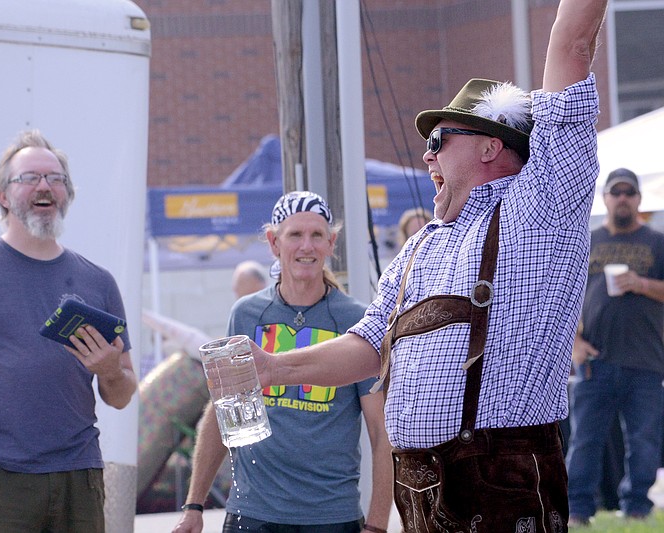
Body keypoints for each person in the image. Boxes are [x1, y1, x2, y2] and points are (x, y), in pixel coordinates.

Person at [247, 1, 607, 530]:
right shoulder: (422, 247)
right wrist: (273, 368)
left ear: (490, 146)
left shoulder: (542, 205)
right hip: (419, 491)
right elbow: (370, 345)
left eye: (439, 141)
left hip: (500, 484)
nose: (427, 157)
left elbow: (571, 43)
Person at [0, 130, 137, 532]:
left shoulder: (98, 282)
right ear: (3, 196)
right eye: (30, 178)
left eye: (56, 179)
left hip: (79, 474)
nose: (45, 186)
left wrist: (110, 371)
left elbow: (120, 395)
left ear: (67, 195)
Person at [173, 191, 393, 533]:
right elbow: (222, 413)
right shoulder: (246, 313)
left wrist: (377, 524)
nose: (307, 246)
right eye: (295, 235)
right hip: (253, 512)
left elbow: (381, 432)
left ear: (331, 243)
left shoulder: (358, 320)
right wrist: (193, 506)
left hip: (331, 516)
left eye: (317, 235)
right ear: (275, 243)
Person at [566, 167, 664, 525]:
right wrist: (574, 342)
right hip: (595, 360)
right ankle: (577, 510)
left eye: (629, 192)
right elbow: (567, 298)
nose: (622, 198)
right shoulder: (587, 241)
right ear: (605, 198)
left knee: (644, 441)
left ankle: (637, 506)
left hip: (646, 360)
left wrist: (640, 283)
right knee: (586, 440)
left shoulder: (657, 242)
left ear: (638, 199)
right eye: (616, 192)